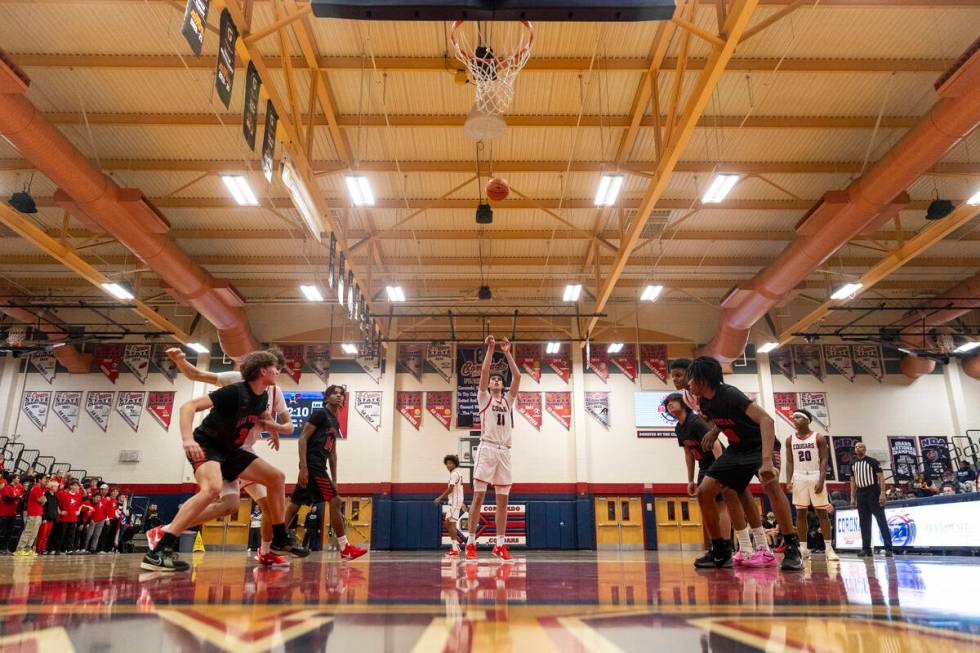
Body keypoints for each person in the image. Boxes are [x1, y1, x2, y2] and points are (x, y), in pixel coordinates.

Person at [142, 350, 300, 572]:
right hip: (208, 445)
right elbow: (188, 404)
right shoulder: (234, 388)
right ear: (263, 369)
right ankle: (159, 549)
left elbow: (267, 420)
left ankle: (280, 539)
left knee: (273, 479)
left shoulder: (265, 396)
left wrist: (273, 429)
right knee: (212, 489)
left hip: (233, 450)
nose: (279, 371)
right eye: (276, 367)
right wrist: (187, 439)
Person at [688, 356, 803, 571]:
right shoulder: (705, 401)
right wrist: (714, 432)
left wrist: (767, 460)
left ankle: (792, 547)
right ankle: (721, 551)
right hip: (737, 450)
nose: (689, 383)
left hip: (760, 447)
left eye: (692, 379)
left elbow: (766, 421)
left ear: (704, 379)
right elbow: (727, 419)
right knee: (704, 492)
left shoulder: (730, 394)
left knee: (771, 486)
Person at [284, 384, 367, 561]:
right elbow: (302, 439)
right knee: (335, 501)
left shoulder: (334, 421)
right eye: (334, 393)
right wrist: (304, 467)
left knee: (295, 504)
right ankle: (345, 548)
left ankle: (271, 543)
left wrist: (335, 479)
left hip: (320, 465)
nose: (339, 396)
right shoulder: (320, 414)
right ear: (327, 397)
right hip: (313, 465)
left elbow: (332, 452)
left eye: (341, 394)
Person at [465, 335, 521, 562]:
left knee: (503, 501)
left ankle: (499, 544)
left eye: (499, 379)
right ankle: (470, 542)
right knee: (478, 497)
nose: (496, 380)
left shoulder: (508, 401)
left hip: (504, 451)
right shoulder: (484, 398)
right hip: (487, 449)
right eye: (494, 380)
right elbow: (485, 371)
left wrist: (507, 352)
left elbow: (517, 376)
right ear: (489, 385)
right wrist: (490, 349)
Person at [785, 409, 838, 561]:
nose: (794, 420)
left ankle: (829, 549)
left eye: (798, 418)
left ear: (807, 420)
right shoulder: (790, 439)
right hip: (799, 476)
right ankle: (803, 549)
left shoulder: (818, 437)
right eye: (793, 418)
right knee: (800, 513)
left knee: (821, 512)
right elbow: (789, 461)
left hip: (815, 474)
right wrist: (788, 480)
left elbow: (824, 460)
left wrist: (821, 479)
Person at [849, 442, 893, 557]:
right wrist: (852, 497)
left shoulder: (872, 461)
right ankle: (866, 548)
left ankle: (889, 548)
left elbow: (881, 478)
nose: (858, 448)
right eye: (856, 447)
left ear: (865, 449)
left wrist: (882, 493)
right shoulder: (852, 462)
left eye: (861, 447)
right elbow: (852, 481)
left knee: (881, 520)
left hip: (873, 491)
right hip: (860, 493)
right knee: (864, 522)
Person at [433, 454, 467, 557]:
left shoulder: (454, 474)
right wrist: (462, 503)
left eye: (451, 463)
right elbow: (459, 489)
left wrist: (439, 498)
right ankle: (455, 547)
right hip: (456, 501)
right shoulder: (457, 473)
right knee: (448, 524)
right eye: (447, 463)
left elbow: (451, 489)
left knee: (449, 524)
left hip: (455, 502)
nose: (448, 465)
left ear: (455, 464)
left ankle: (454, 549)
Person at [14, 472, 47, 556]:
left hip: (38, 513)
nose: (46, 481)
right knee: (28, 531)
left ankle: (28, 548)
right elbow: (43, 500)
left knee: (34, 533)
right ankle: (20, 549)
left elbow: (43, 500)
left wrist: (43, 500)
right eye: (44, 479)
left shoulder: (40, 488)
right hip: (33, 513)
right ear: (39, 480)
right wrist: (43, 500)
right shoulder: (36, 488)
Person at [0, 471, 23, 554]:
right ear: (13, 479)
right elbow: (6, 498)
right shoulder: (7, 488)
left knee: (9, 532)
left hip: (12, 513)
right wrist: (17, 497)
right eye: (18, 478)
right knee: (3, 531)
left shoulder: (14, 489)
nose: (19, 479)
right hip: (5, 513)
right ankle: (2, 548)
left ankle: (5, 548)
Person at [36, 480, 60, 555]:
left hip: (52, 518)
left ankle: (43, 548)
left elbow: (55, 507)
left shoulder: (55, 497)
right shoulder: (46, 495)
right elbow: (43, 507)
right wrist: (44, 518)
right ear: (51, 487)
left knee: (46, 535)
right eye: (56, 486)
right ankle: (38, 549)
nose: (57, 488)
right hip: (46, 518)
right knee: (42, 534)